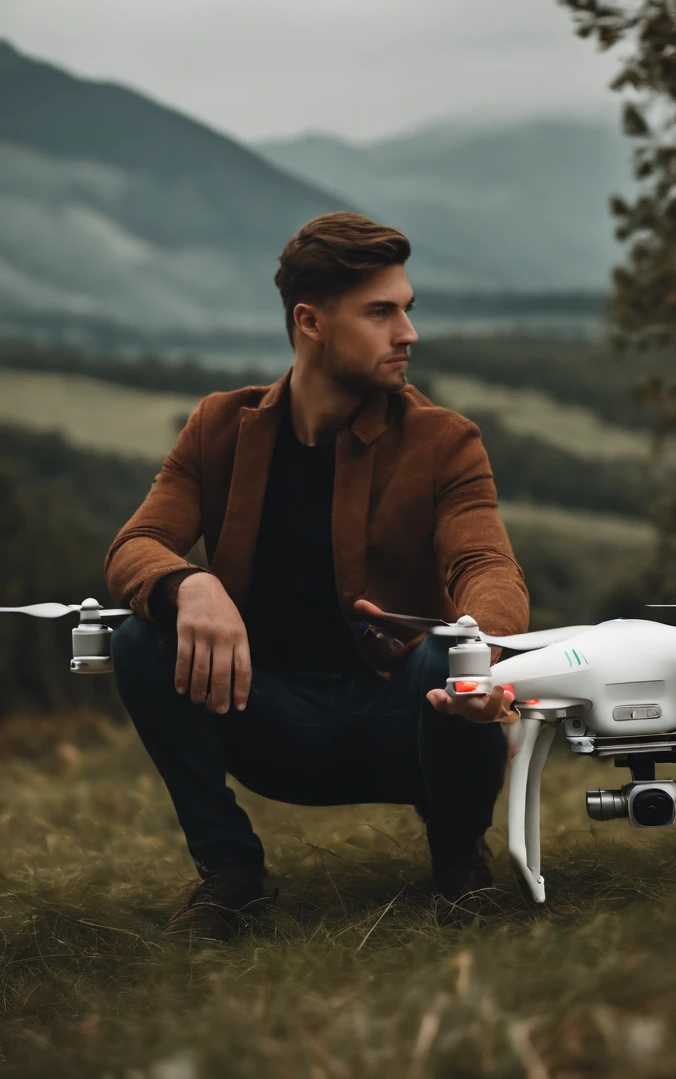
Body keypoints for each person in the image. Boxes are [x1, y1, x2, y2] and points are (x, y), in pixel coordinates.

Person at [107, 211, 529, 941]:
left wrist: (484, 652)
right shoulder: (218, 428)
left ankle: (460, 861)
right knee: (141, 636)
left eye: (408, 309)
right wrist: (191, 585)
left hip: (414, 723)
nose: (408, 333)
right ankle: (231, 872)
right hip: (271, 724)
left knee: (449, 647)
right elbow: (138, 545)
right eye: (381, 312)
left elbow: (485, 564)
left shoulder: (444, 441)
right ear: (311, 321)